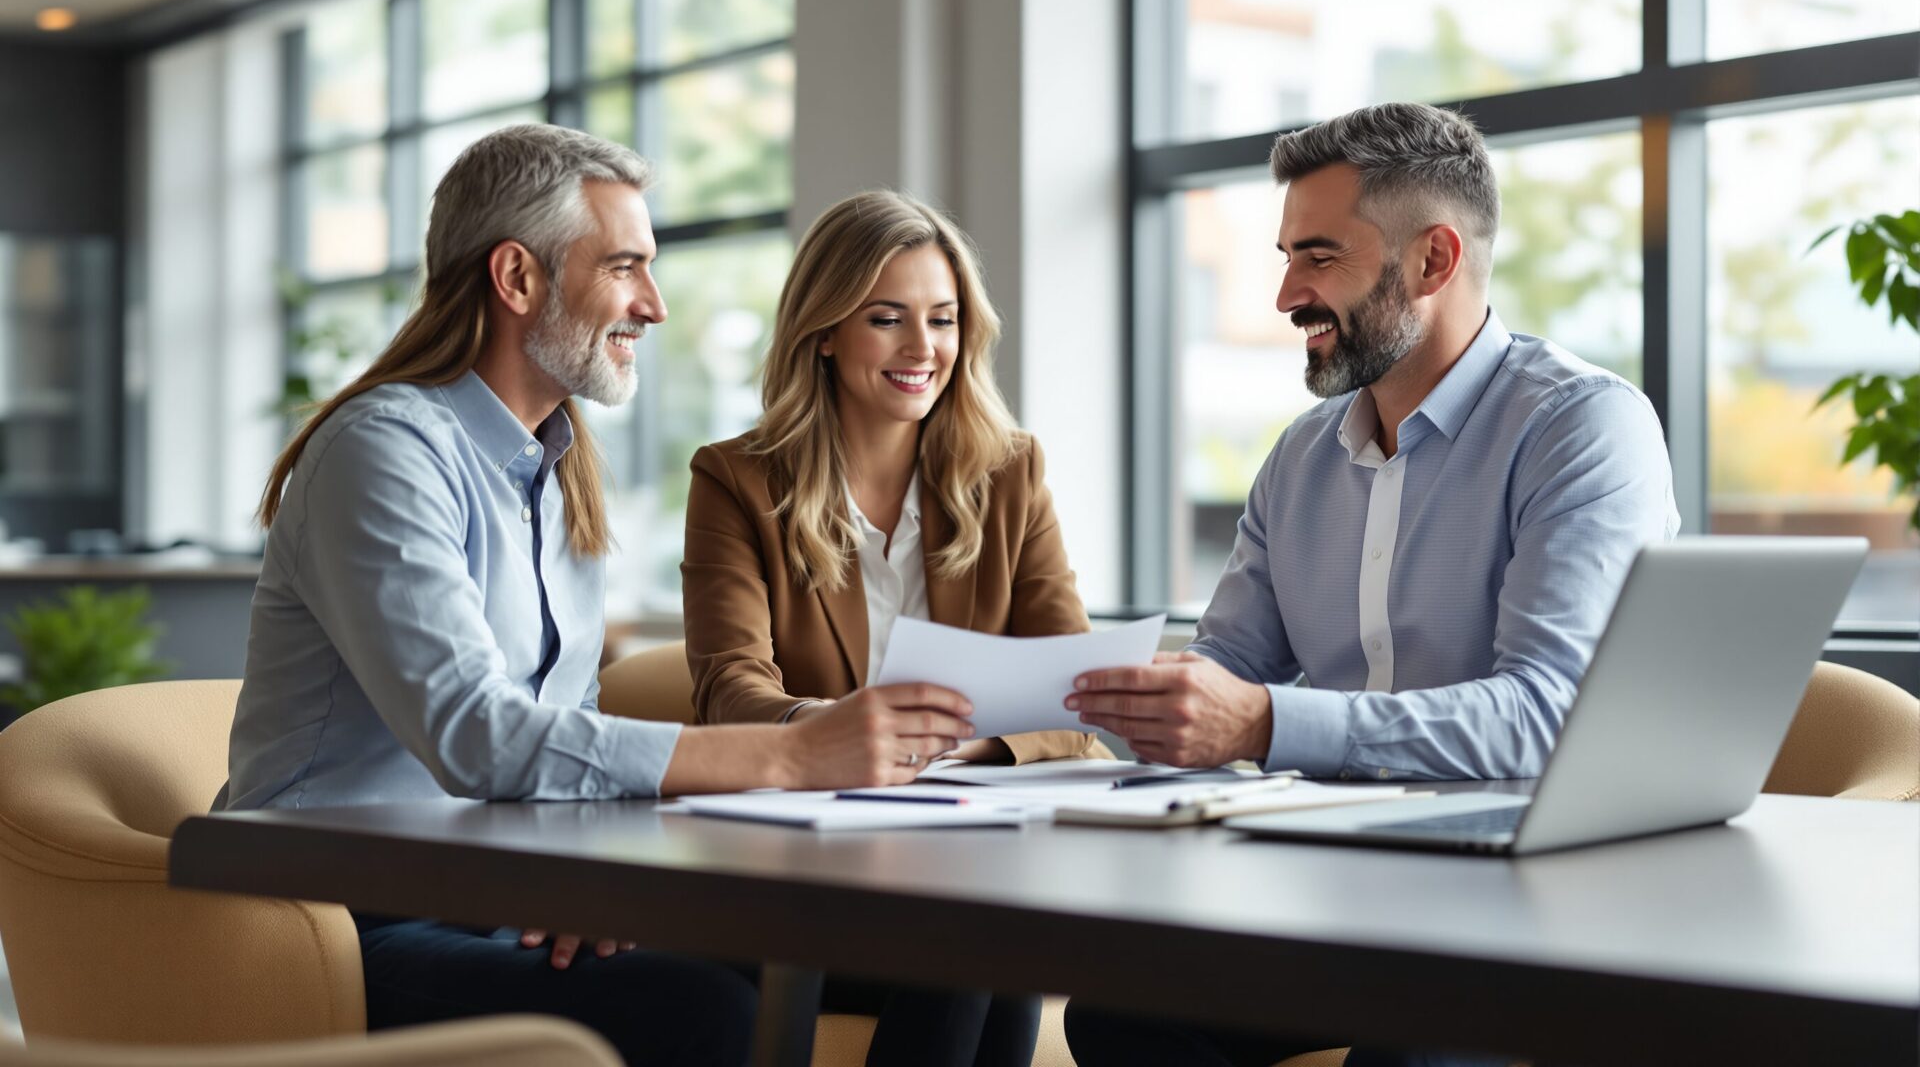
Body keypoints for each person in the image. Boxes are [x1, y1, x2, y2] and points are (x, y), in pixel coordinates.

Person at [219, 125, 975, 1067]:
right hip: (334, 918)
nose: (653, 306)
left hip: (496, 898)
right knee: (697, 1007)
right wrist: (787, 754)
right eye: (625, 267)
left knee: (958, 956)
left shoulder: (557, 468)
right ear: (517, 278)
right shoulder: (384, 452)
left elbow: (564, 728)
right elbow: (477, 735)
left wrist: (594, 887)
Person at [1061, 103, 1679, 1066]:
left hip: (1532, 915)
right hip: (1340, 895)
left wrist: (1267, 725)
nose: (1284, 297)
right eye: (1285, 257)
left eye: (1318, 257)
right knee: (1121, 1012)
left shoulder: (1583, 430)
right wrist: (1019, 714)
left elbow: (1553, 716)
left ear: (1433, 261)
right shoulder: (1303, 456)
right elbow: (1224, 667)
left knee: (1413, 1047)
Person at [679, 189, 1101, 1067]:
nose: (923, 350)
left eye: (943, 320)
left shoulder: (1009, 472)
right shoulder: (737, 481)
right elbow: (729, 689)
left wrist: (970, 747)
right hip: (801, 887)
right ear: (825, 331)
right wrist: (835, 736)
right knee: (978, 939)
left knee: (988, 929)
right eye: (887, 319)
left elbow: (1076, 690)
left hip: (962, 860)